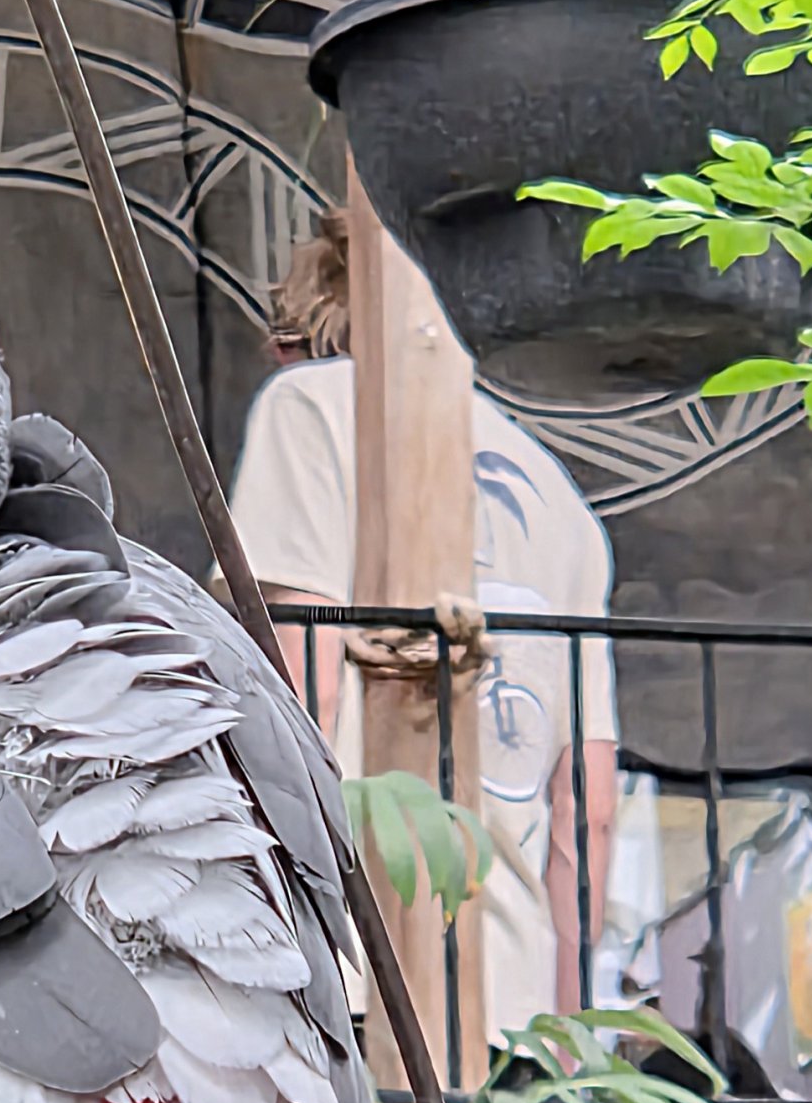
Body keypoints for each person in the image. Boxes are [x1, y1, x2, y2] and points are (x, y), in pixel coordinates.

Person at [227, 208, 620, 1035]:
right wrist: (570, 1038)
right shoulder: (561, 499)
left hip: (349, 975)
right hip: (513, 1001)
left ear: (307, 323)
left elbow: (306, 693)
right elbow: (586, 803)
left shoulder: (309, 411)